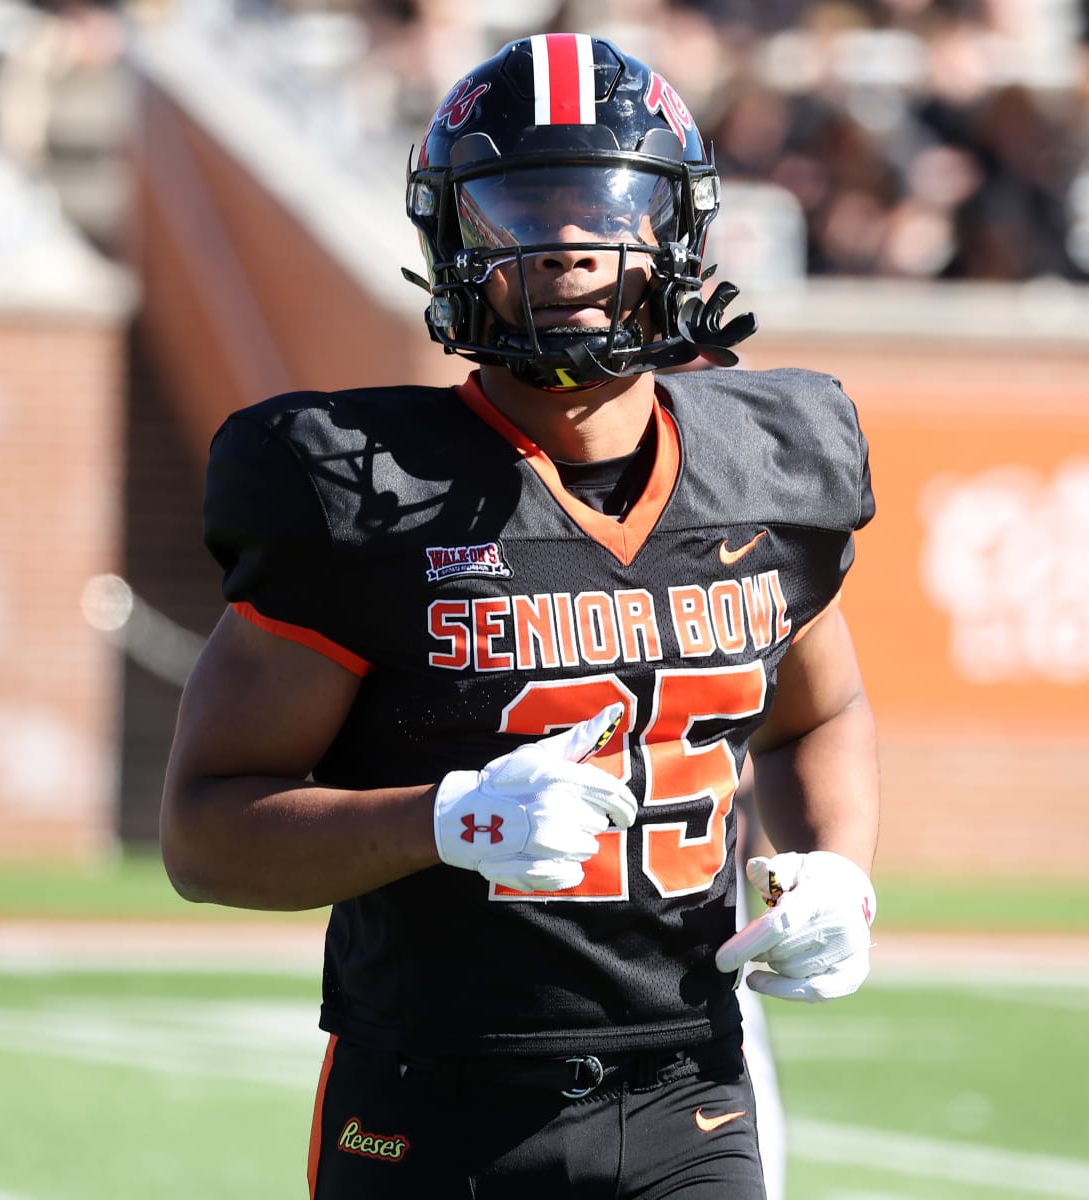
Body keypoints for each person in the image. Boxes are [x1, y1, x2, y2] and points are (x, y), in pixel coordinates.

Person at [160, 33, 880, 1200]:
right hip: (433, 1108)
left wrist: (836, 867)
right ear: (455, 240)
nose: (569, 249)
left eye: (606, 205)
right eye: (521, 210)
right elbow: (205, 833)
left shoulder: (766, 471)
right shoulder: (363, 489)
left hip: (693, 1090)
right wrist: (444, 820)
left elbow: (820, 714)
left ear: (677, 231)